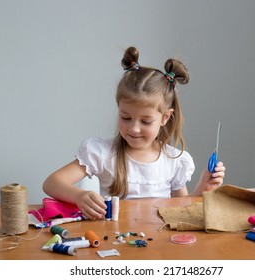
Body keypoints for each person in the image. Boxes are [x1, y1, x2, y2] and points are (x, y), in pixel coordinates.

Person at [43, 46, 226, 220]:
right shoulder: (102, 154)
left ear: (165, 118)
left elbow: (182, 208)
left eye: (146, 121)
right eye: (126, 117)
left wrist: (203, 188)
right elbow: (51, 183)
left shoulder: (175, 161)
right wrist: (79, 196)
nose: (134, 128)